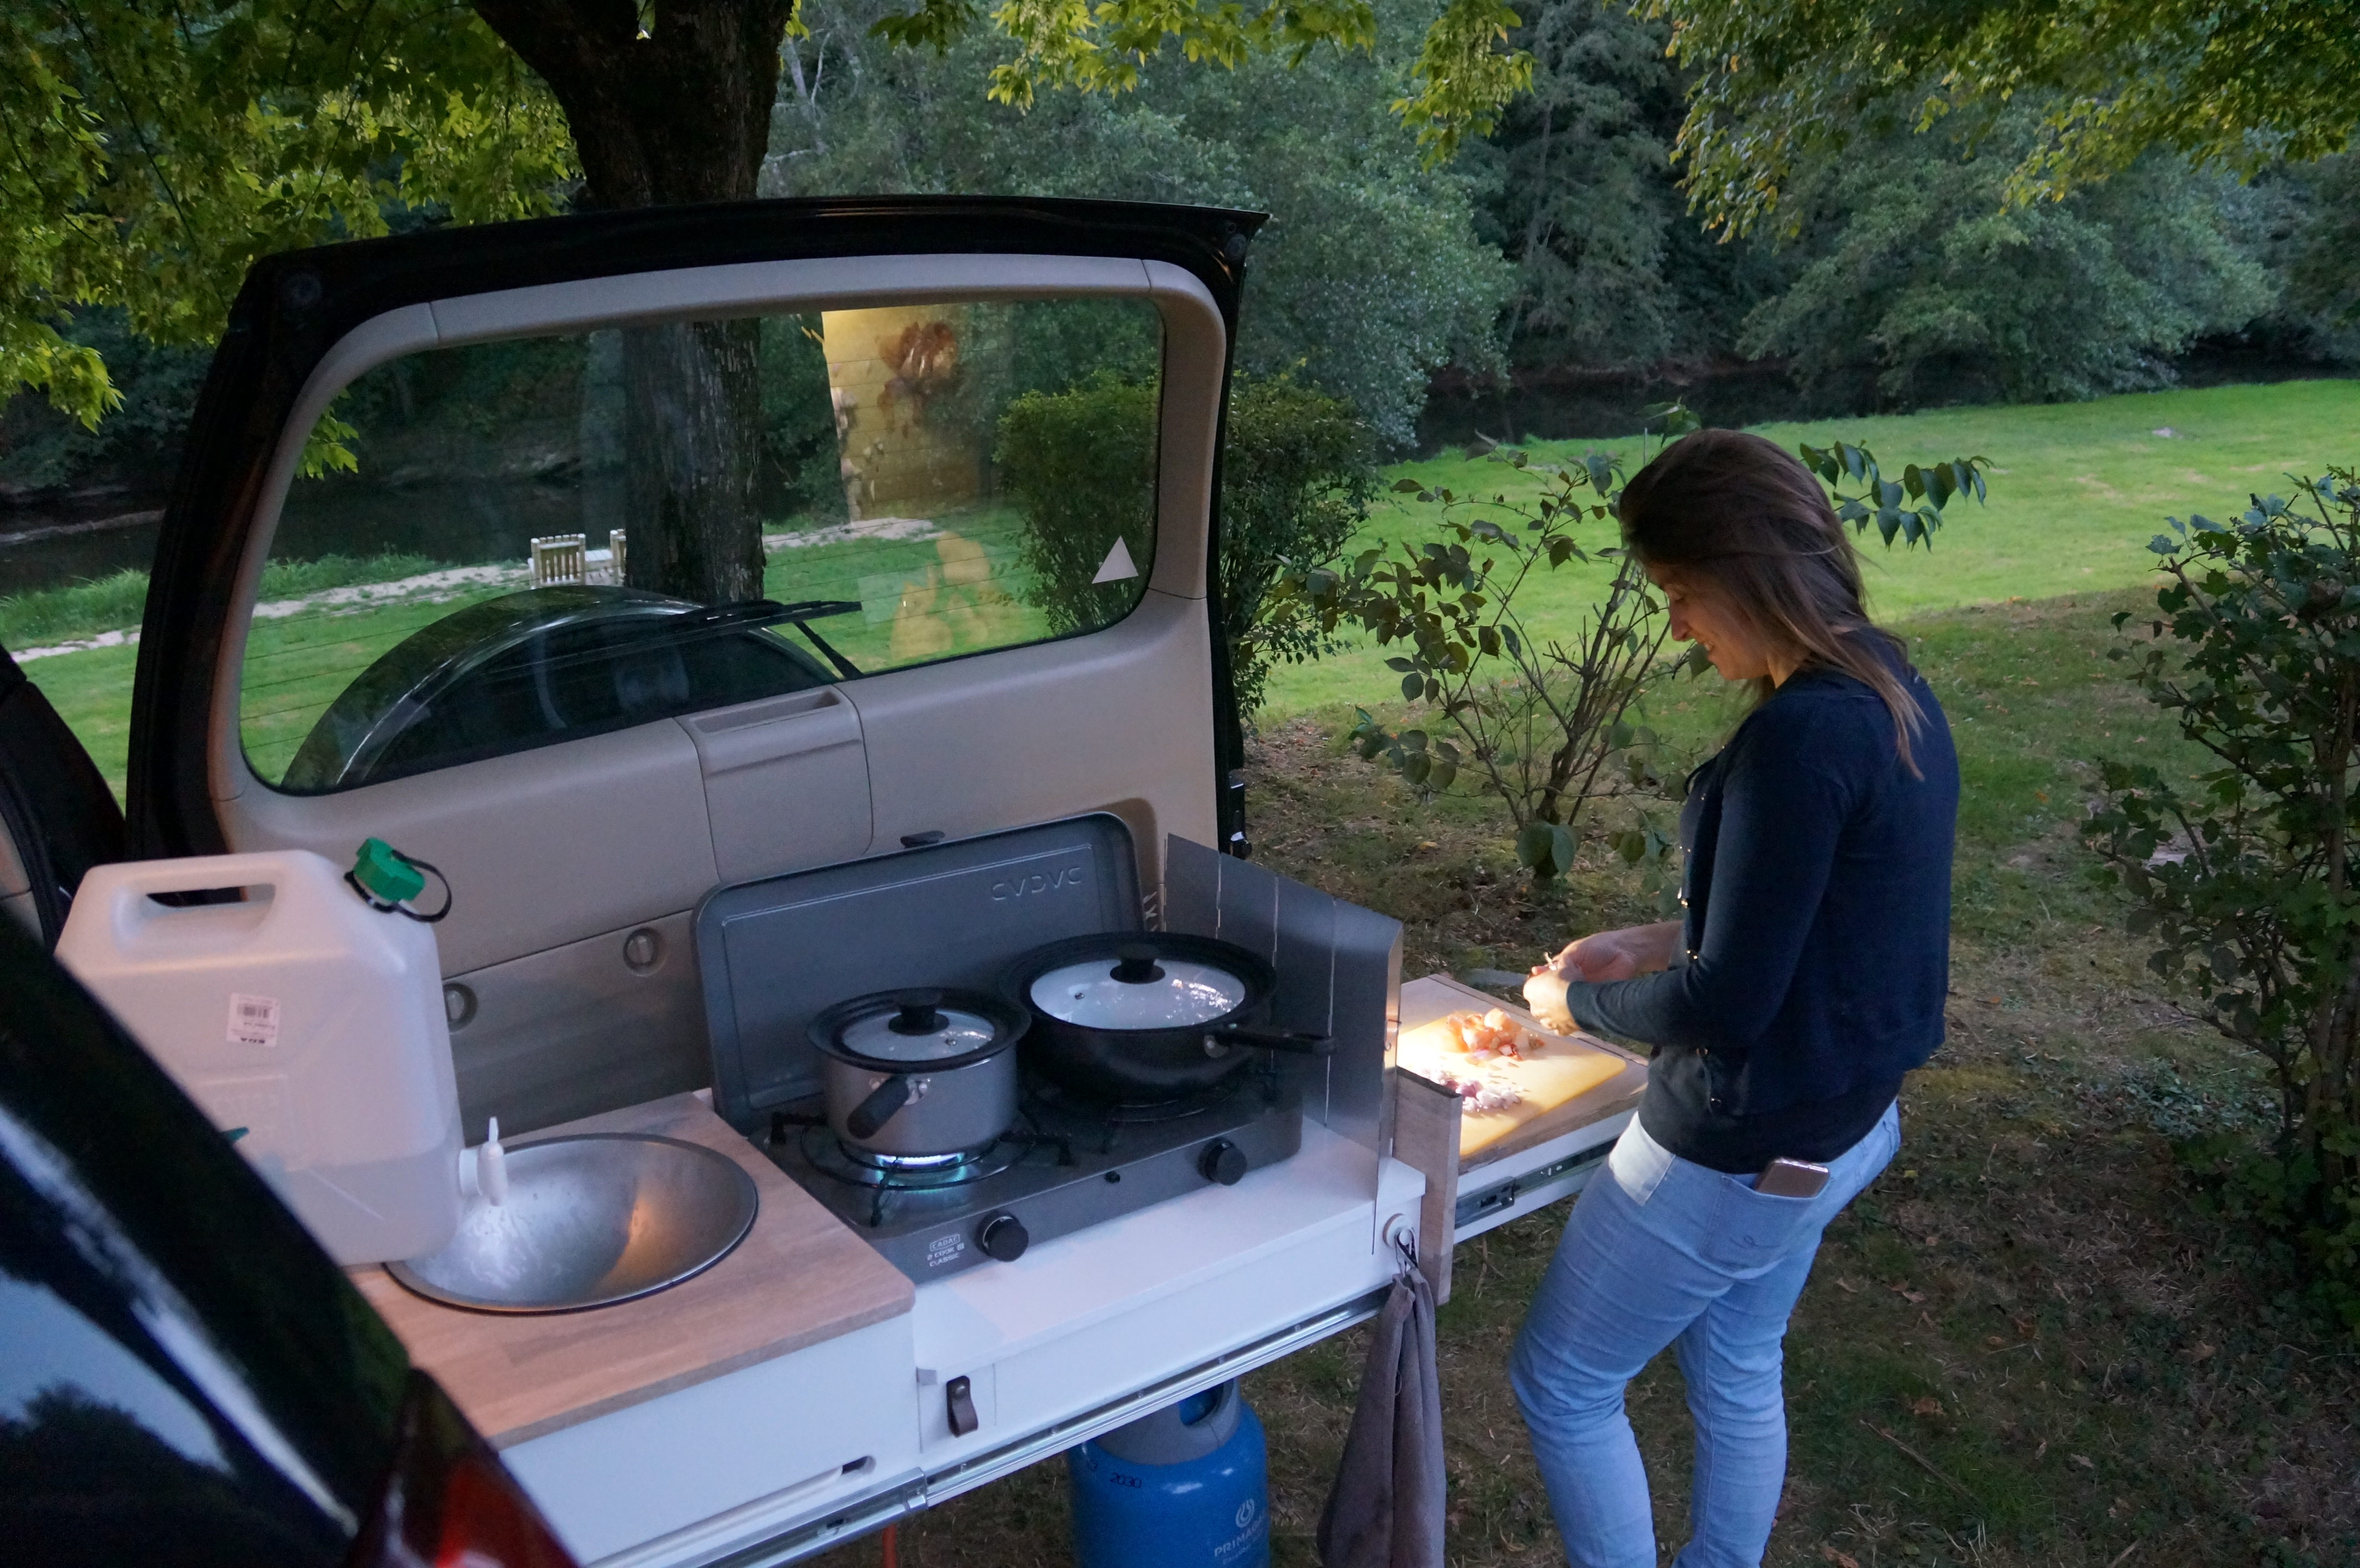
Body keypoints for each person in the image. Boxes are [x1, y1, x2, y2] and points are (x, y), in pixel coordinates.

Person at [1509, 429, 1960, 1568]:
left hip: (1738, 1150)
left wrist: (1569, 1012)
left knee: (1562, 1381)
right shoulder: (1886, 687)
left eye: (1678, 593)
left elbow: (1724, 1002)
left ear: (1742, 575)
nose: (1672, 625)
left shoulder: (1797, 739)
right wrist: (1639, 938)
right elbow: (1826, 911)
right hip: (1850, 1127)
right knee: (1735, 1359)